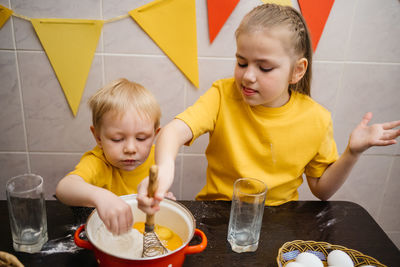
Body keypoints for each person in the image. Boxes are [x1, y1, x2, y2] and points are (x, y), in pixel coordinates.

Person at [137, 3, 400, 214]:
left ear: (297, 71)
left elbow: (321, 190)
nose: (248, 76)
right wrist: (163, 173)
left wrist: (352, 153)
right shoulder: (222, 95)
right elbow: (172, 132)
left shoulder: (317, 119)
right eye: (241, 63)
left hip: (281, 221)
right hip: (217, 216)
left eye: (264, 68)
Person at [56, 78, 174, 235]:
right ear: (98, 137)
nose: (130, 149)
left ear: (154, 135)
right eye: (117, 139)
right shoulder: (98, 162)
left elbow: (159, 190)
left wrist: (163, 200)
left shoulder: (158, 157)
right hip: (110, 233)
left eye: (141, 138)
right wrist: (100, 196)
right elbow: (63, 188)